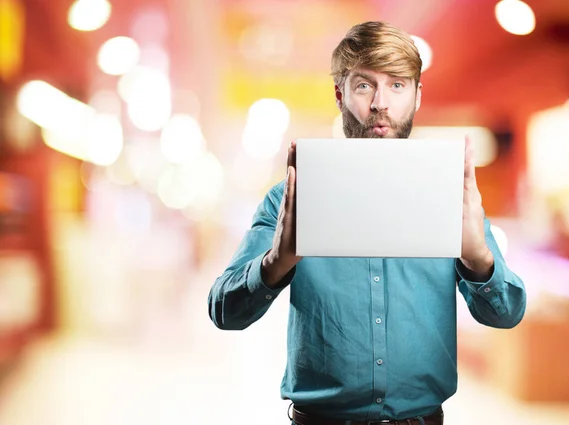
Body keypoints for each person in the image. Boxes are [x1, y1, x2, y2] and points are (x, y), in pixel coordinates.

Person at [208, 21, 526, 425]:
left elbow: (507, 314)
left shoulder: (449, 194)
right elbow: (224, 312)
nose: (380, 103)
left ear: (417, 96)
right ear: (340, 93)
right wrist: (276, 263)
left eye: (397, 85)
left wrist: (479, 258)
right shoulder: (290, 197)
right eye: (364, 85)